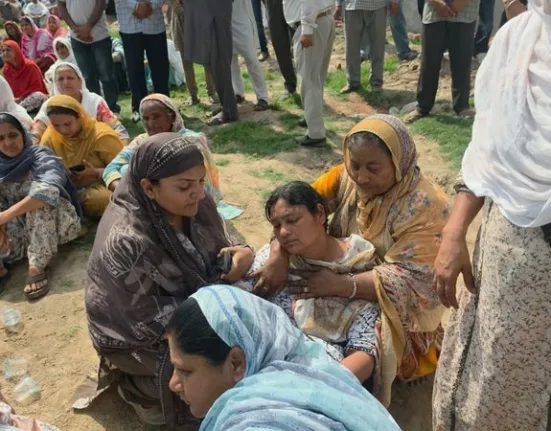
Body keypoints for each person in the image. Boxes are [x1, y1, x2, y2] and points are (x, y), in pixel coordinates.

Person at [251, 115, 449, 406]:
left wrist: (342, 286)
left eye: (374, 168)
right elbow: (295, 207)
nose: (361, 177)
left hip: (388, 298)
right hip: (336, 267)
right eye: (354, 165)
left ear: (400, 162)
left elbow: (415, 280)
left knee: (372, 341)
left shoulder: (426, 206)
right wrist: (279, 254)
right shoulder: (344, 176)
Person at [432, 0, 551, 428]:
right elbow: (487, 152)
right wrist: (454, 231)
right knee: (494, 382)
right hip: (513, 264)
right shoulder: (518, 42)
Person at [84, 133, 254, 427]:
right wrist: (222, 306)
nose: (198, 193)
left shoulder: (195, 202)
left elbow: (228, 239)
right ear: (148, 188)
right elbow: (149, 323)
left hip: (201, 299)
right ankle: (139, 388)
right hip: (139, 338)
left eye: (201, 181)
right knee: (221, 366)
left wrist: (244, 252)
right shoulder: (125, 242)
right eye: (185, 186)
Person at [167, 285, 401, 430]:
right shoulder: (315, 368)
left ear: (236, 363)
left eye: (185, 371)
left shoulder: (258, 423)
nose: (173, 383)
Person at [237, 182, 381, 385]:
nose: (283, 232)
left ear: (320, 214)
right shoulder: (274, 260)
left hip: (318, 375)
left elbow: (365, 351)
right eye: (276, 225)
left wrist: (318, 387)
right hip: (261, 362)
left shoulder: (359, 267)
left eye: (292, 220)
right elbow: (236, 300)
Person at [0, 113, 81, 300]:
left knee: (40, 199)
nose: (8, 143)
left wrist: (4, 216)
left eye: (12, 135)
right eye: (0, 138)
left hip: (55, 223)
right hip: (19, 229)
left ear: (23, 135)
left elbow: (48, 191)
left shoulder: (41, 156)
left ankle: (36, 266)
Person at [103, 94, 220, 202]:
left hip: (192, 200)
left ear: (172, 117)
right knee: (126, 170)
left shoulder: (191, 141)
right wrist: (123, 192)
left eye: (156, 117)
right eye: (146, 118)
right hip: (152, 201)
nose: (151, 123)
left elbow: (198, 181)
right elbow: (111, 168)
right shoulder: (141, 141)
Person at [40, 95, 123, 219]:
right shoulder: (50, 137)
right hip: (65, 188)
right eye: (56, 125)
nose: (62, 130)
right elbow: (42, 167)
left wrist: (95, 172)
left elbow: (125, 170)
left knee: (103, 199)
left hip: (100, 187)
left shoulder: (101, 136)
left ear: (80, 117)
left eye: (67, 124)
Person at [404, 0, 479, 122]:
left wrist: (458, 4)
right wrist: (437, 2)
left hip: (465, 12)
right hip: (434, 13)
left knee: (462, 63)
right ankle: (423, 107)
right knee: (429, 63)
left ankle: (462, 107)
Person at [34, 62, 129, 145]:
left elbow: (115, 125)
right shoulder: (50, 104)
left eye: (70, 78)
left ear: (80, 81)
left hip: (94, 149)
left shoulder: (93, 101)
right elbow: (37, 129)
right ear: (55, 84)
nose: (66, 82)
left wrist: (124, 150)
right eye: (60, 79)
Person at [284, 0, 335, 147]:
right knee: (316, 77)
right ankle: (311, 117)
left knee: (309, 80)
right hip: (321, 19)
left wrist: (306, 29)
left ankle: (316, 133)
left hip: (312, 24)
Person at [58, 0, 121, 114]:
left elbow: (101, 3)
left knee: (106, 76)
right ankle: (96, 110)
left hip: (99, 36)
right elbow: (61, 5)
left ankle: (112, 109)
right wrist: (74, 28)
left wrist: (88, 27)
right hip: (76, 37)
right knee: (87, 77)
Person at [183, 0, 238, 126]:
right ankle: (226, 105)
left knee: (219, 59)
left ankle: (229, 110)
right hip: (203, 7)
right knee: (211, 58)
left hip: (213, 7)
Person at [114, 0, 170, 122]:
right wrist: (136, 6)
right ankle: (139, 108)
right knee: (134, 69)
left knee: (160, 67)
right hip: (129, 24)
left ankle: (164, 105)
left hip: (154, 23)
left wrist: (151, 6)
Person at [335, 0, 394, 94]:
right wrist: (338, 4)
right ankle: (353, 82)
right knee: (351, 47)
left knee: (378, 46)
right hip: (352, 6)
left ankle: (376, 83)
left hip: (378, 5)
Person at [166, 0, 218, 106]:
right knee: (187, 62)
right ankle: (193, 94)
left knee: (207, 59)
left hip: (200, 16)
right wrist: (182, 11)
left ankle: (212, 92)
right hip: (180, 20)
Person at [231, 0, 269, 111]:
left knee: (251, 60)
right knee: (231, 62)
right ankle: (238, 93)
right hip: (226, 23)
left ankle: (262, 98)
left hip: (242, 23)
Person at [1, 40, 49, 112]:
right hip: (16, 100)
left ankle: (16, 110)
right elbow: (8, 90)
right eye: (3, 50)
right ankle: (15, 110)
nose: (5, 53)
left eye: (8, 50)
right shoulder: (6, 69)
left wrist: (20, 98)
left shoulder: (30, 66)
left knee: (38, 96)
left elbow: (37, 88)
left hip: (34, 99)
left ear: (16, 51)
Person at [266, 0, 297, 99]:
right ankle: (290, 84)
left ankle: (307, 82)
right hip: (272, 4)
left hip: (294, 4)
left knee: (299, 43)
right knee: (279, 44)